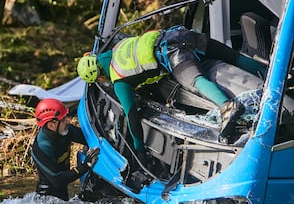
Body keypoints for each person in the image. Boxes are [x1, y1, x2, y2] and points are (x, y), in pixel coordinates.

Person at [77, 26, 265, 159]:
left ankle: (227, 106)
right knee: (233, 56)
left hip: (173, 53)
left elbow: (131, 115)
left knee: (196, 81)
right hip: (179, 34)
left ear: (99, 77)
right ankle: (273, 72)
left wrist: (139, 148)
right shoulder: (118, 46)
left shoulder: (118, 79)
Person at [31, 98, 100, 201]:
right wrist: (84, 167)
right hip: (47, 201)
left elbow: (89, 139)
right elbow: (57, 180)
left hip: (62, 195)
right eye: (63, 119)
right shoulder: (42, 147)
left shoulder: (64, 130)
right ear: (51, 125)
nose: (68, 121)